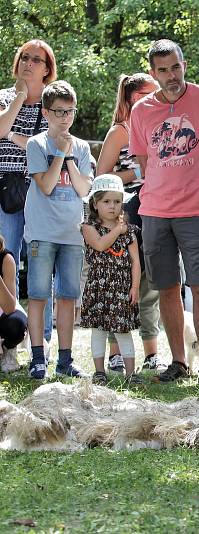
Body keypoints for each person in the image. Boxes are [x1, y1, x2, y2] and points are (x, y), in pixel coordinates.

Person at [129, 39, 199, 386]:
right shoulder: (140, 111)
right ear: (153, 73)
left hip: (197, 210)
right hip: (155, 212)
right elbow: (145, 162)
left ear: (184, 64)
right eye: (162, 70)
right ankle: (177, 362)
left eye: (175, 67)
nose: (171, 75)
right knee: (167, 288)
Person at [24, 80, 94, 379]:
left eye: (70, 112)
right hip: (42, 233)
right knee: (39, 296)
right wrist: (60, 155)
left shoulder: (80, 147)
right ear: (46, 113)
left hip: (71, 234)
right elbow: (48, 185)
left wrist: (70, 156)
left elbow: (82, 189)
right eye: (59, 112)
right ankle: (38, 358)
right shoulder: (36, 144)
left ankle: (65, 360)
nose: (65, 118)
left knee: (68, 297)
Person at [95, 73, 163, 374]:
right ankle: (115, 354)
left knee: (150, 286)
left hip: (157, 209)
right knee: (121, 283)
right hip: (126, 214)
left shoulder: (160, 128)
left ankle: (151, 354)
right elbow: (101, 178)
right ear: (132, 97)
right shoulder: (120, 131)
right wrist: (134, 172)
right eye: (149, 92)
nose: (155, 97)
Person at [0, 40, 57, 352]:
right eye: (24, 57)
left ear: (47, 69)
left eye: (37, 60)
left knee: (41, 265)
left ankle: (42, 340)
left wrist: (15, 136)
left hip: (38, 193)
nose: (29, 63)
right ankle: (11, 339)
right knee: (6, 262)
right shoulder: (4, 98)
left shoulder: (52, 103)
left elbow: (49, 146)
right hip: (5, 194)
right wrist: (19, 97)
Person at [80, 175, 142, 385]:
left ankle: (131, 373)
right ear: (95, 204)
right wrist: (117, 229)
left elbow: (136, 262)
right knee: (99, 330)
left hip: (122, 287)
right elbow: (99, 245)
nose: (112, 206)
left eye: (117, 201)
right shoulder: (89, 227)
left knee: (123, 329)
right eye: (106, 201)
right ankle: (99, 371)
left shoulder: (130, 231)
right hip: (99, 286)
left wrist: (135, 286)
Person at [0, 232, 28, 373]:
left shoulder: (6, 258)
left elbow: (9, 307)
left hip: (5, 313)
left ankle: (8, 349)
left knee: (16, 325)